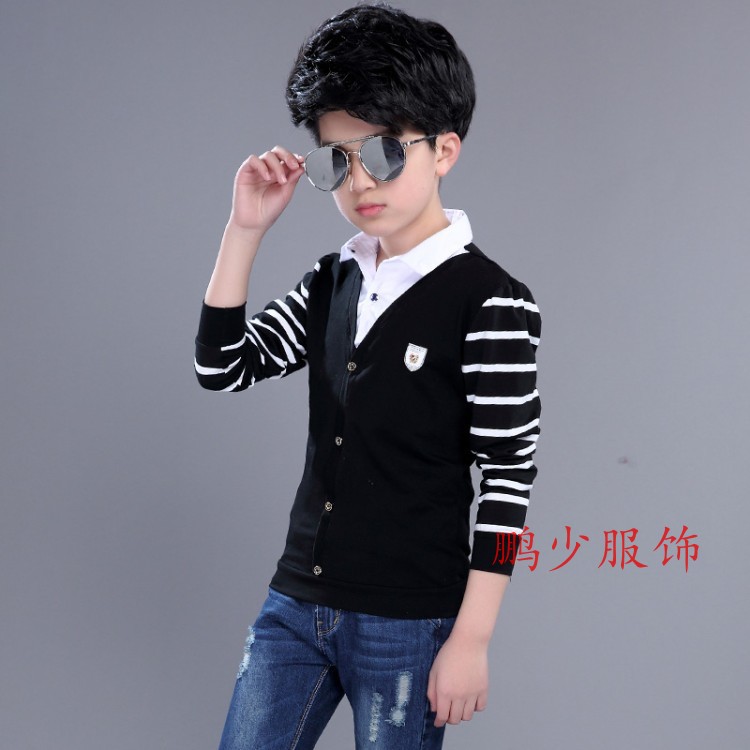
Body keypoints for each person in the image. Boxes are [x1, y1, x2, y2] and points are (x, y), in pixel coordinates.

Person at [194, 4, 541, 749]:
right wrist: (245, 230)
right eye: (335, 159)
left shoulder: (490, 300)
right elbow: (222, 368)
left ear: (443, 150)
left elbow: (509, 476)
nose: (359, 181)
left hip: (408, 621)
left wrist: (472, 638)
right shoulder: (332, 281)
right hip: (296, 604)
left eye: (383, 152)